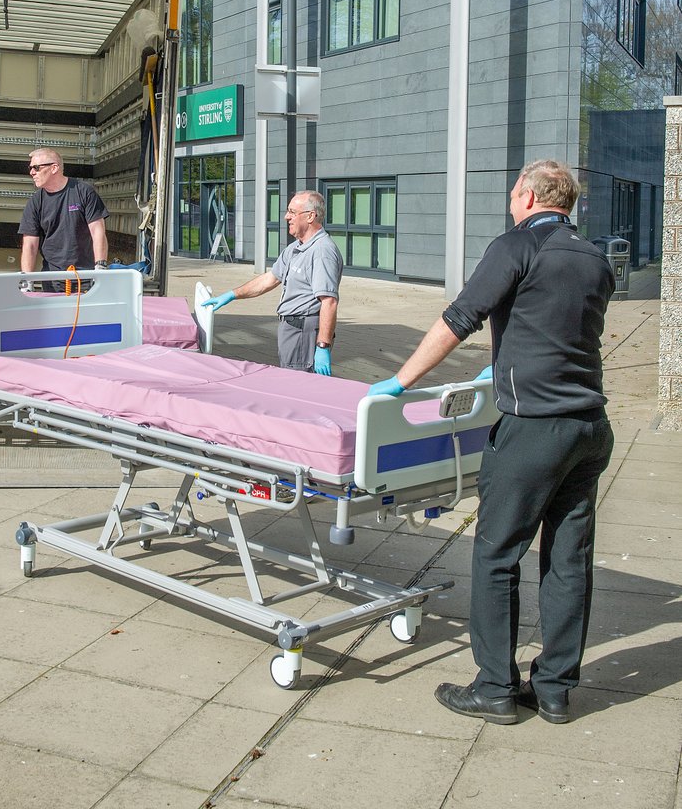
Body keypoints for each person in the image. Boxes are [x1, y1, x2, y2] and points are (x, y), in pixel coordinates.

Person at [368, 160, 614, 726]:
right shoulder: (594, 257)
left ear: (527, 196)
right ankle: (554, 688)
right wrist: (506, 365)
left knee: (498, 553)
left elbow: (460, 318)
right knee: (568, 559)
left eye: (512, 190)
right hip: (588, 426)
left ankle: (495, 688)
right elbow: (558, 328)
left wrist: (401, 382)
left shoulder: (516, 247)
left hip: (533, 428)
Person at [201, 190, 343, 375]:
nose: (286, 217)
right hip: (292, 329)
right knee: (290, 381)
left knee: (299, 388)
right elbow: (269, 279)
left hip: (304, 332)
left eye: (292, 212)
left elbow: (329, 301)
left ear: (310, 216)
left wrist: (322, 345)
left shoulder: (322, 251)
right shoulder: (295, 248)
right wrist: (231, 295)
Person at [18, 148, 109, 277]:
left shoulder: (84, 192)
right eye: (30, 168)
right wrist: (26, 280)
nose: (32, 172)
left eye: (36, 167)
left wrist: (100, 268)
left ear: (54, 168)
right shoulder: (35, 202)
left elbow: (97, 231)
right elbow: (30, 244)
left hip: (86, 277)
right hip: (51, 279)